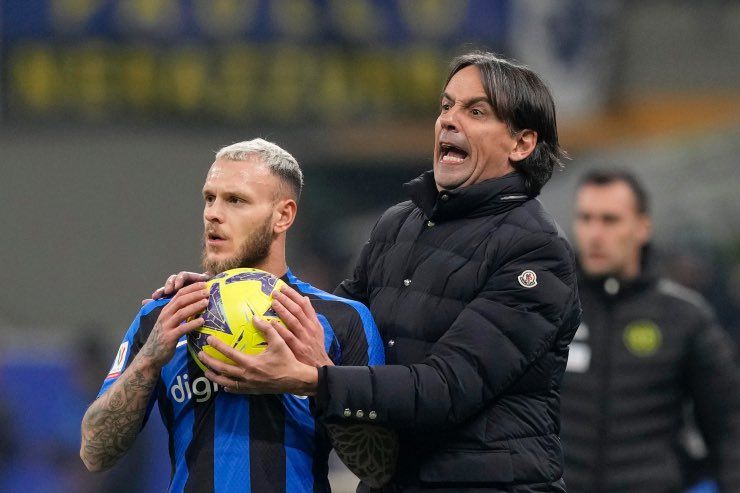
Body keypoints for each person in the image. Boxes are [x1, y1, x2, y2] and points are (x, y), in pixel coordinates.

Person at [160, 52, 582, 492]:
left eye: (475, 111)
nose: (449, 121)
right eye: (445, 106)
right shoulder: (397, 225)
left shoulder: (536, 251)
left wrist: (314, 380)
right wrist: (222, 290)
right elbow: (330, 323)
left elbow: (446, 387)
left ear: (521, 144)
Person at [79, 139, 387, 493]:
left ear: (283, 215)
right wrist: (148, 361)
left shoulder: (343, 320)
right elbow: (94, 453)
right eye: (209, 198)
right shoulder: (163, 318)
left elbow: (378, 467)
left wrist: (321, 377)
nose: (213, 212)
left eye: (235, 200)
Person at [559, 169, 740, 493]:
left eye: (609, 220)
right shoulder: (549, 307)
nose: (594, 233)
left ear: (643, 227)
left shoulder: (685, 317)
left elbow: (729, 426)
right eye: (585, 219)